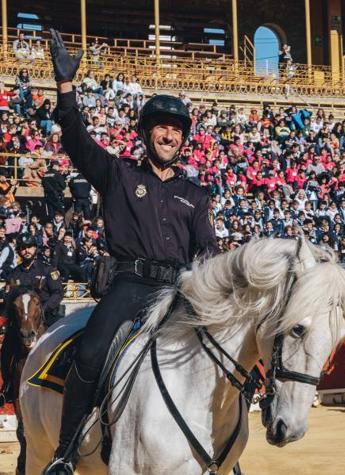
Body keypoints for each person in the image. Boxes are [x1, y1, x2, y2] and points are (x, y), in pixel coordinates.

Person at [44, 29, 219, 474]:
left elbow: (208, 251)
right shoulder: (118, 174)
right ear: (146, 132)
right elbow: (77, 143)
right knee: (90, 352)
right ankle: (65, 452)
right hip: (129, 285)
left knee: (223, 351)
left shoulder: (195, 195)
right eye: (161, 126)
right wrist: (67, 89)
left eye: (176, 129)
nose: (169, 134)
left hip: (179, 290)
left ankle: (225, 449)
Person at [6, 234, 64, 326]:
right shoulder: (14, 273)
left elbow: (58, 293)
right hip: (22, 321)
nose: (26, 251)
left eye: (29, 247)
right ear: (19, 251)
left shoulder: (47, 269)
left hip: (46, 317)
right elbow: (10, 298)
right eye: (23, 248)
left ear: (35, 248)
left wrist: (42, 309)